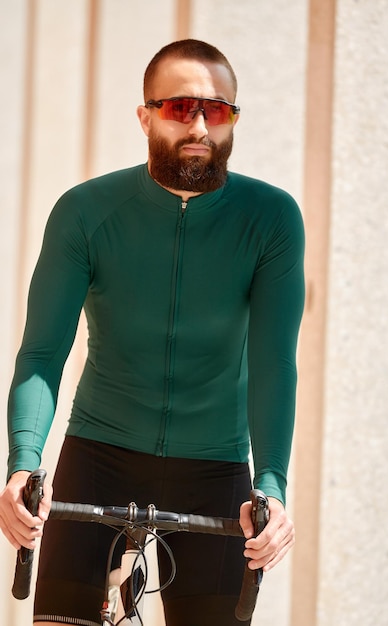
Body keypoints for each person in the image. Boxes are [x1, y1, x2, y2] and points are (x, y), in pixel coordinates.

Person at [0, 39, 305, 626]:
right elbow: (42, 351)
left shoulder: (271, 220)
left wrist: (271, 487)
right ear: (145, 116)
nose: (198, 125)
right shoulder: (85, 212)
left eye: (217, 110)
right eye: (179, 108)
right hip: (99, 456)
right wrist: (23, 465)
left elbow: (274, 362)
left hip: (215, 469)